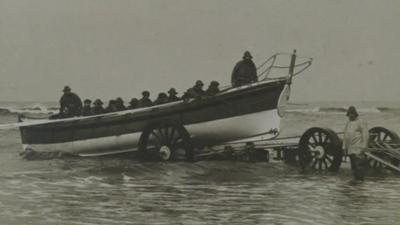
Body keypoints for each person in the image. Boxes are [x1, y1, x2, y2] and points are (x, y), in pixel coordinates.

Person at [343, 106, 369, 181]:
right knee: (354, 167)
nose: (350, 116)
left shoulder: (361, 122)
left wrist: (364, 146)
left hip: (358, 148)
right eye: (349, 114)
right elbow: (345, 136)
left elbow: (365, 135)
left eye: (352, 114)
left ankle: (360, 184)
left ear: (355, 114)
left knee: (359, 167)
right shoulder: (348, 123)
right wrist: (344, 147)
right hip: (350, 149)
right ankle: (356, 184)